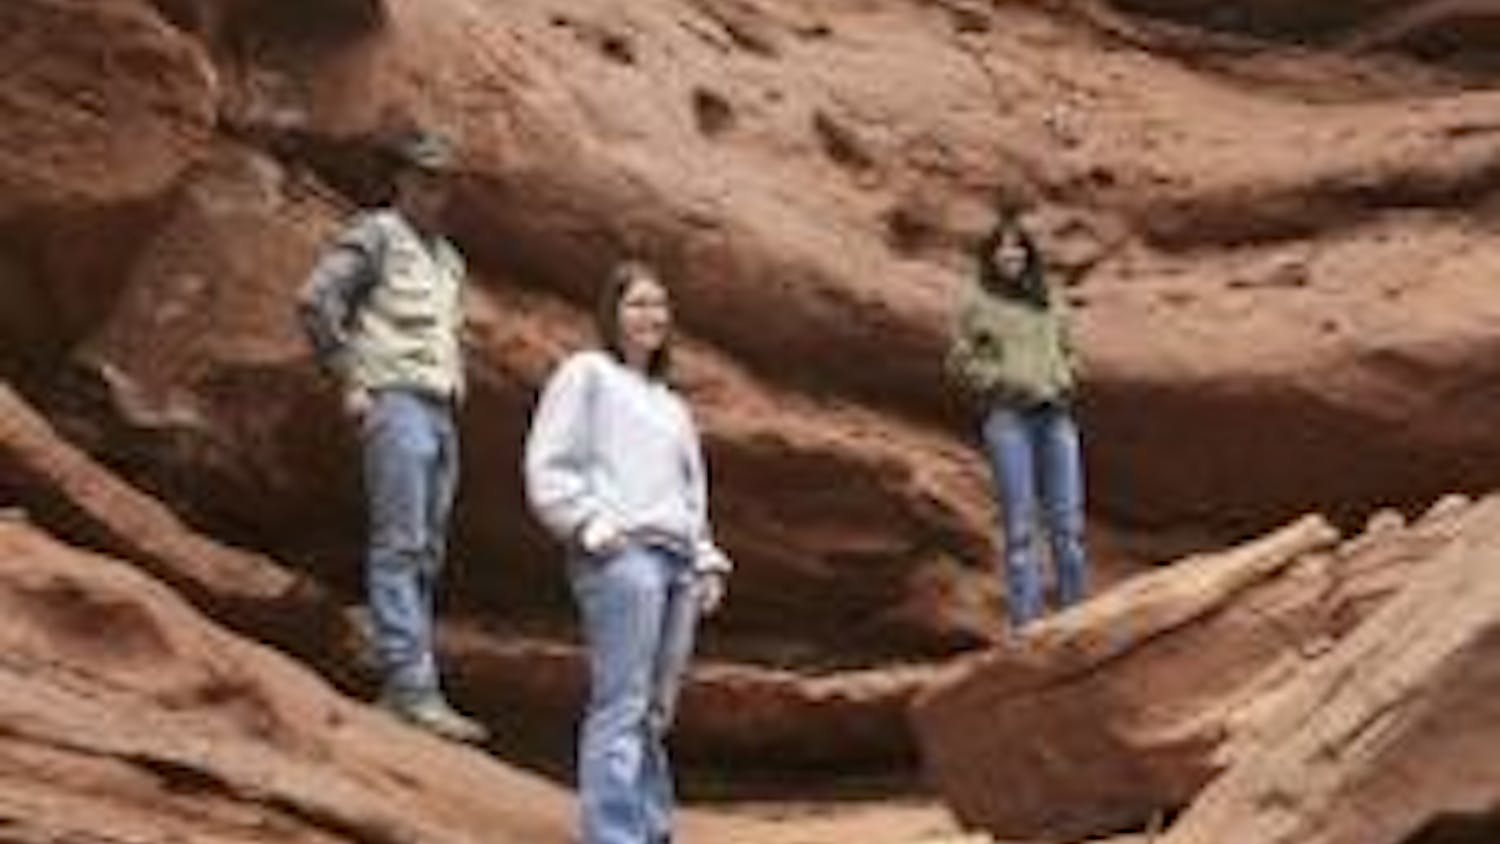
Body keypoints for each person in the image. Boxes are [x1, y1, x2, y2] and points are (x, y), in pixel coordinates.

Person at [524, 260, 731, 844]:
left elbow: (689, 491)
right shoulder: (586, 374)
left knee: (655, 710)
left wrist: (706, 556)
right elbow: (550, 461)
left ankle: (650, 825)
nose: (651, 316)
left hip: (677, 564)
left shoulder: (671, 405)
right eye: (638, 304)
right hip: (624, 557)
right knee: (623, 698)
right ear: (612, 314)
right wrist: (588, 525)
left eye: (659, 306)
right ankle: (613, 833)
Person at [297, 129, 487, 743]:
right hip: (396, 400)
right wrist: (349, 378)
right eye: (424, 179)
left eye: (443, 182)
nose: (435, 192)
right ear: (400, 180)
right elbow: (317, 300)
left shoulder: (450, 260)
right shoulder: (376, 234)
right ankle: (414, 689)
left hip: (439, 409)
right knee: (401, 544)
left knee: (426, 549)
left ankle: (398, 681)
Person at [946, 211, 1089, 630]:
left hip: (1056, 418)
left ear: (1028, 254)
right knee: (1021, 531)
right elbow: (959, 360)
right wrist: (1002, 381)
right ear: (991, 257)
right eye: (1002, 248)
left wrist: (1065, 378)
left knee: (1068, 529)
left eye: (1018, 246)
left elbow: (1071, 351)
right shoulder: (978, 303)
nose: (1011, 254)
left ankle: (1077, 619)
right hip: (1011, 421)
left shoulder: (1050, 299)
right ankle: (1025, 629)